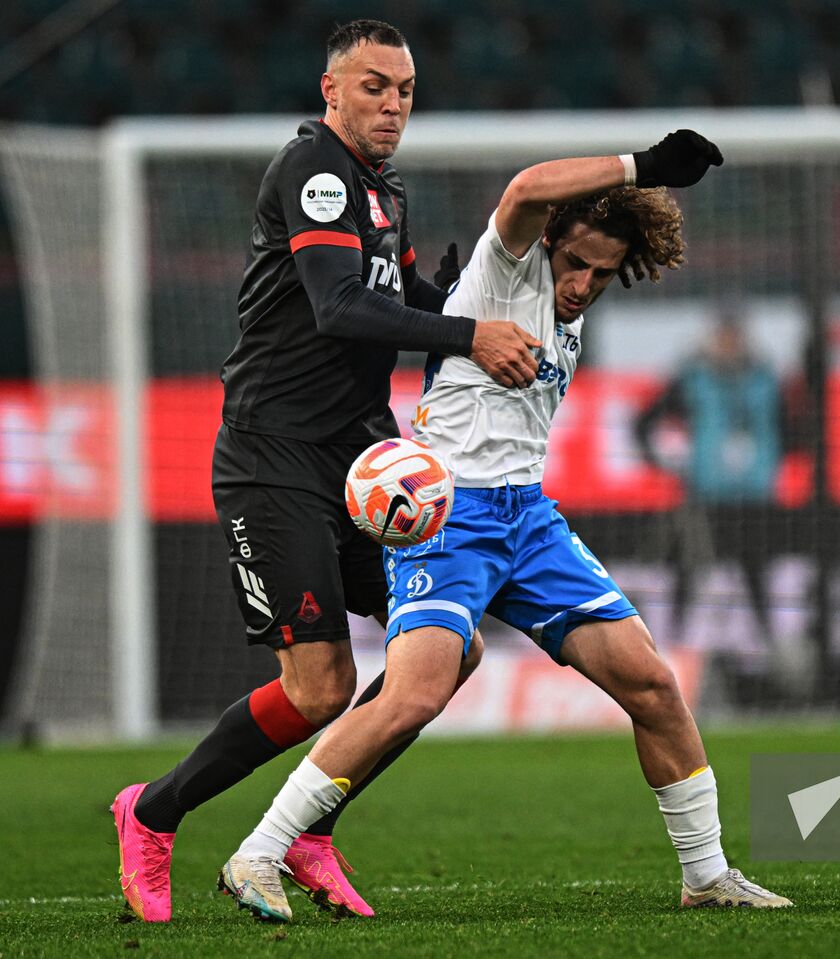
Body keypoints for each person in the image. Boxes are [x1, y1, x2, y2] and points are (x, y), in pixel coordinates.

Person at [216, 130, 791, 923]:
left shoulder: (570, 306)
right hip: (448, 516)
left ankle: (707, 872)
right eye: (576, 263)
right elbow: (525, 190)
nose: (584, 283)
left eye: (602, 272)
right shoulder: (508, 265)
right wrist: (643, 170)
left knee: (654, 684)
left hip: (530, 517)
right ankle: (258, 851)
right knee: (414, 696)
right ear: (548, 243)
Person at [111, 19, 540, 923]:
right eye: (375, 86)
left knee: (448, 647)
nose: (393, 104)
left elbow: (402, 295)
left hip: (364, 461)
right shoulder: (313, 173)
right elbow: (340, 307)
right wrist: (469, 334)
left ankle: (312, 826)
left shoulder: (385, 191)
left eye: (407, 90)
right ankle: (151, 812)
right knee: (320, 687)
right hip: (274, 458)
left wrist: (471, 301)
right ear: (331, 90)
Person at [632, 314, 783, 650]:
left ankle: (771, 655)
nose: (729, 343)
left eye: (735, 335)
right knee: (688, 575)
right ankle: (671, 649)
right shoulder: (693, 378)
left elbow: (791, 427)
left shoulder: (764, 378)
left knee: (758, 579)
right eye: (724, 336)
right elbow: (644, 422)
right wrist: (666, 464)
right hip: (706, 499)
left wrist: (771, 463)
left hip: (754, 500)